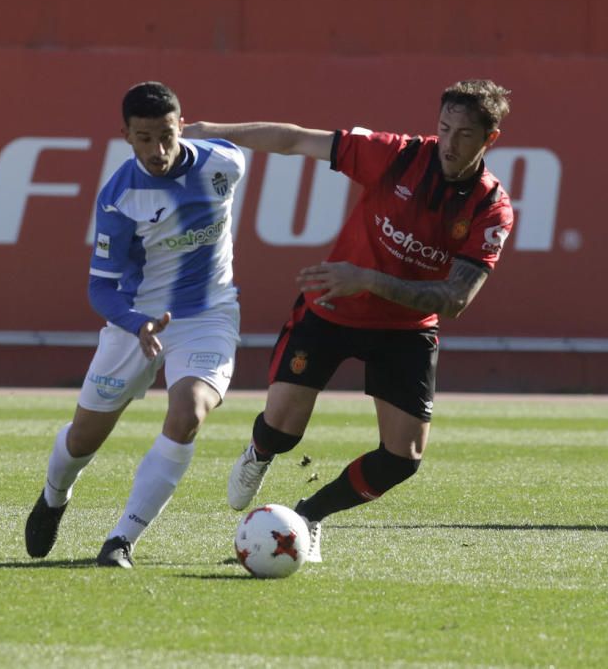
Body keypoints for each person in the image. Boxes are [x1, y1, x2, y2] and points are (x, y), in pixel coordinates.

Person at [184, 79, 514, 562]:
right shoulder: (398, 155)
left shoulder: (491, 208)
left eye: (464, 135)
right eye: (444, 128)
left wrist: (367, 278)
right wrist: (206, 131)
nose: (449, 143)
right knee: (282, 429)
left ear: (490, 140)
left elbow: (455, 300)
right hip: (333, 307)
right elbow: (294, 139)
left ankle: (310, 515)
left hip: (406, 328)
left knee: (403, 458)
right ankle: (259, 452)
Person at [25, 81, 245, 568]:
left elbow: (262, 141)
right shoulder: (120, 197)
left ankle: (121, 540)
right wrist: (137, 323)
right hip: (136, 322)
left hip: (208, 316)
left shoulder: (224, 163)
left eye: (166, 135)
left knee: (188, 413)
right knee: (83, 440)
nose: (158, 150)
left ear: (181, 126)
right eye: (144, 138)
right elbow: (99, 289)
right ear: (125, 135)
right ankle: (54, 496)